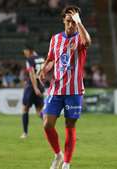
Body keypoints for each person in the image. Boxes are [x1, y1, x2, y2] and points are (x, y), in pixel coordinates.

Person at [39, 5, 91, 169]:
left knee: (70, 125)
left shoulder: (80, 37)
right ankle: (58, 154)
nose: (71, 25)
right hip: (56, 88)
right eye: (68, 21)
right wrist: (44, 69)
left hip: (74, 91)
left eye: (73, 22)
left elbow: (88, 42)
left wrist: (80, 23)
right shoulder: (55, 39)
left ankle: (66, 163)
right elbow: (51, 58)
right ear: (63, 21)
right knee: (47, 124)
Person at [20, 45, 45, 139]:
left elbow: (32, 74)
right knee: (39, 111)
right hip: (40, 85)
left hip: (31, 87)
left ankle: (25, 133)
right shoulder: (42, 59)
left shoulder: (30, 60)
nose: (24, 53)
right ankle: (50, 129)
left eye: (25, 51)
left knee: (25, 109)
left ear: (29, 50)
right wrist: (40, 86)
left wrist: (35, 88)